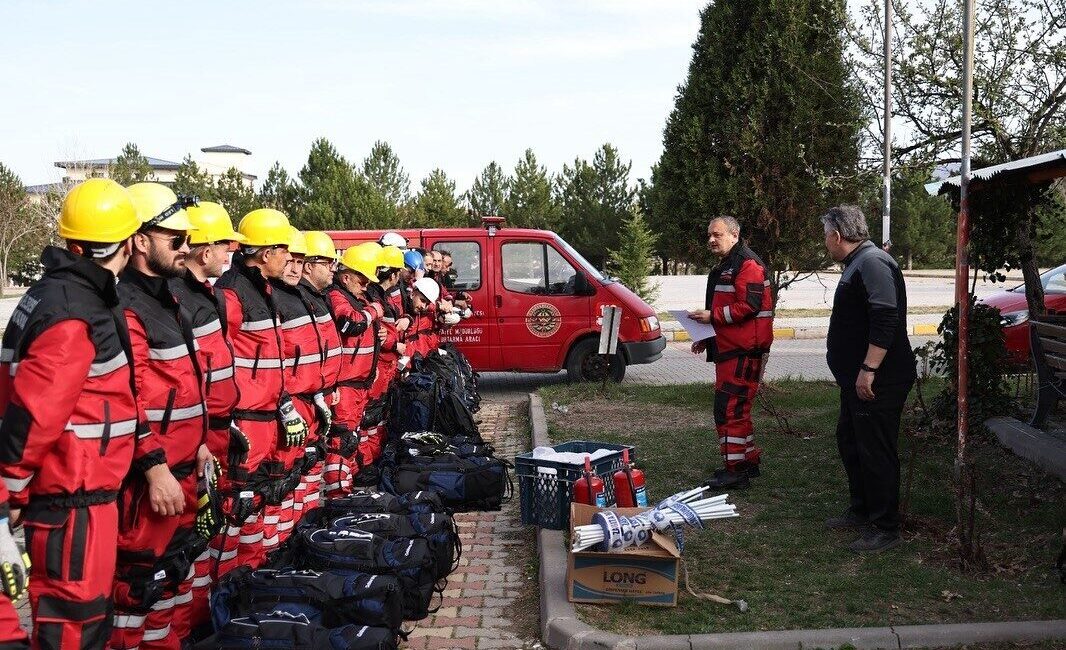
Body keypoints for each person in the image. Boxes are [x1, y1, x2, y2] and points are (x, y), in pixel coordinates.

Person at [0, 178, 142, 649]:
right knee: (73, 626)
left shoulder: (52, 294)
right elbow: (36, 415)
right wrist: (11, 491)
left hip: (76, 498)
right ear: (125, 243)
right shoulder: (77, 310)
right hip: (72, 504)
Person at [111, 182, 211, 649]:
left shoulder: (169, 299)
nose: (187, 248)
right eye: (177, 239)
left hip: (185, 471)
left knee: (177, 582)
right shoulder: (126, 308)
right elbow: (126, 400)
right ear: (140, 239)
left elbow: (184, 384)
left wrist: (202, 441)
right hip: (153, 483)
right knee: (141, 597)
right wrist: (153, 468)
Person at [167, 201, 246, 636]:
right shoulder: (181, 300)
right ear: (203, 249)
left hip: (213, 432)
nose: (231, 252)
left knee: (211, 527)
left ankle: (207, 617)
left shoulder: (207, 296)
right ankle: (191, 626)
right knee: (189, 540)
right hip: (194, 439)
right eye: (225, 244)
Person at [215, 209, 305, 570]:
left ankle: (257, 571)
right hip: (246, 420)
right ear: (266, 253)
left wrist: (284, 403)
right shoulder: (233, 293)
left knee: (264, 497)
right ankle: (229, 585)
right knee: (238, 505)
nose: (289, 257)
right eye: (284, 249)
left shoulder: (261, 289)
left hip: (268, 413)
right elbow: (217, 359)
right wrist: (228, 418)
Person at [822, 205, 916, 552]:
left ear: (836, 235)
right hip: (858, 379)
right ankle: (862, 510)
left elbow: (885, 319)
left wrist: (868, 370)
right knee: (851, 441)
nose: (825, 243)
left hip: (879, 379)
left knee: (876, 450)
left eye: (826, 236)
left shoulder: (873, 262)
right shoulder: (858, 263)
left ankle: (885, 526)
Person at [688, 216, 774, 490]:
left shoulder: (747, 264)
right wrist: (707, 337)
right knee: (736, 409)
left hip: (742, 352)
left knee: (729, 411)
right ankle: (746, 462)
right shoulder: (730, 264)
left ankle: (735, 471)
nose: (712, 239)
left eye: (718, 234)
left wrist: (711, 316)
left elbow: (748, 306)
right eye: (709, 235)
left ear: (735, 235)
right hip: (732, 350)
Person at [324, 245, 383, 497]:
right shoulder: (337, 296)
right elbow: (352, 323)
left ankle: (348, 489)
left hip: (359, 383)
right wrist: (374, 312)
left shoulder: (358, 297)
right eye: (362, 279)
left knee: (352, 439)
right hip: (345, 384)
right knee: (341, 443)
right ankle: (338, 498)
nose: (366, 285)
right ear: (346, 276)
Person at [298, 232, 343, 514]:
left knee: (309, 467)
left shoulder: (317, 297)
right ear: (310, 266)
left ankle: (308, 522)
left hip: (320, 394)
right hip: (299, 400)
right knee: (287, 476)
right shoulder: (298, 298)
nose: (333, 270)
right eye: (328, 263)